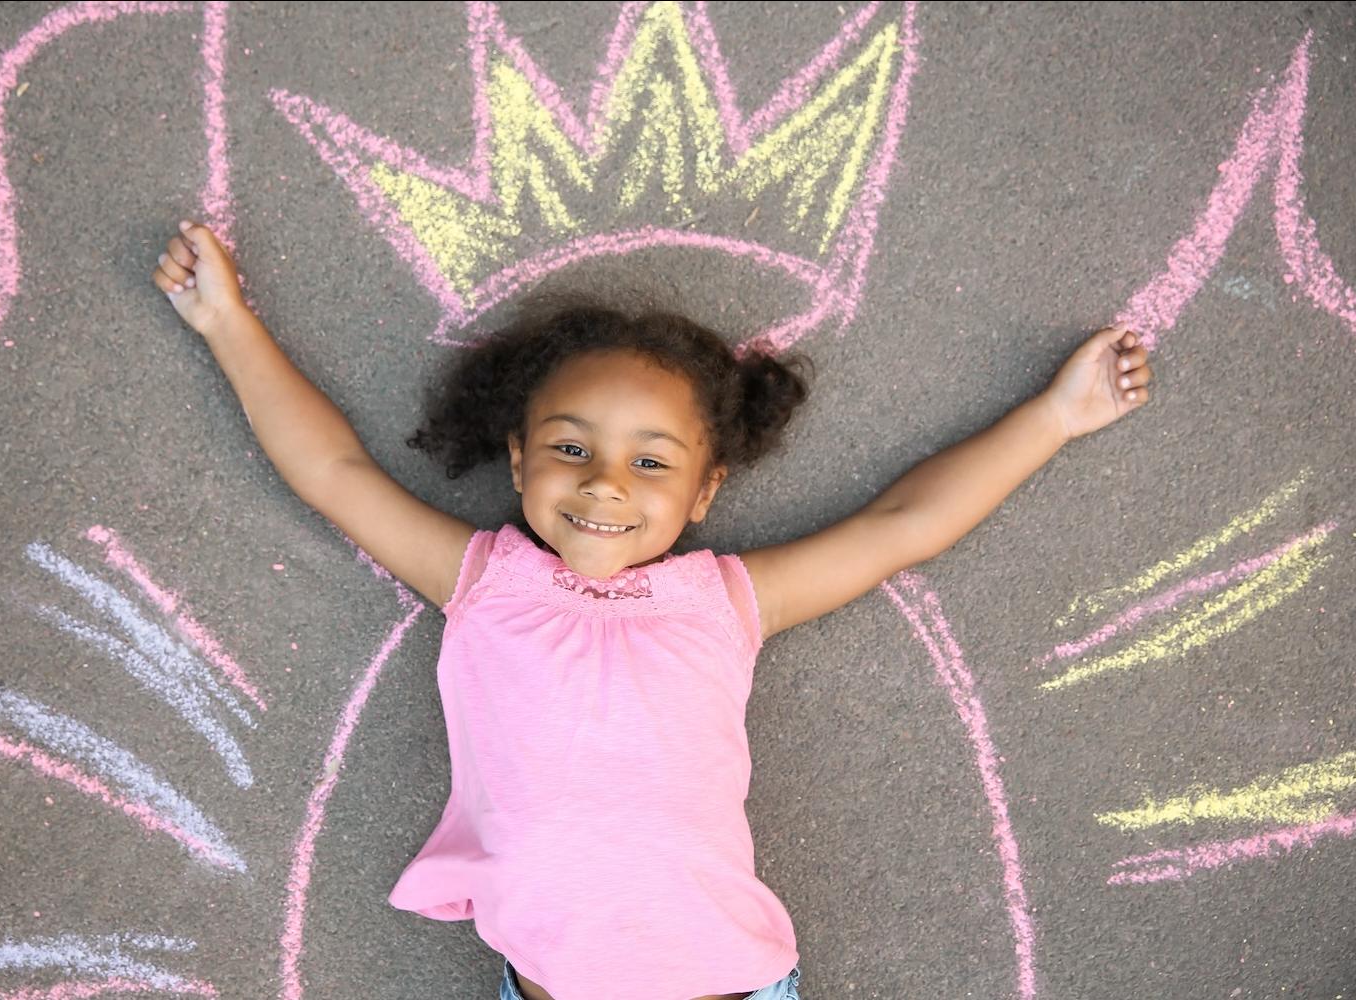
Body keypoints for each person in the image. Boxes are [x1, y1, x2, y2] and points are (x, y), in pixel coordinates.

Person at [153, 219, 1152, 1000]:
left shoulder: (723, 601)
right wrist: (229, 327)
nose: (605, 484)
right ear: (518, 458)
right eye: (571, 447)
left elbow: (902, 524)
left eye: (651, 462)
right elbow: (332, 473)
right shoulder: (482, 581)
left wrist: (1055, 417)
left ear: (705, 488)